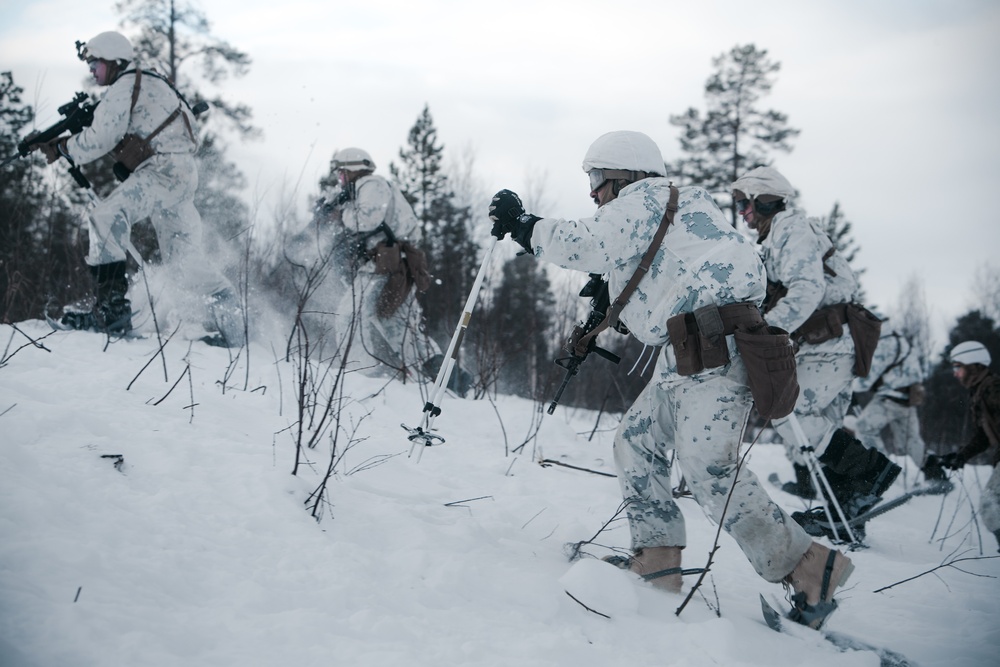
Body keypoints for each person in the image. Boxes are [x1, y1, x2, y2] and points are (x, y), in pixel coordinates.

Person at [489, 130, 853, 629]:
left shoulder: (645, 198)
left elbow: (583, 242)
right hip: (688, 351)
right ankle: (656, 560)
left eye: (597, 178)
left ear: (625, 175)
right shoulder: (679, 204)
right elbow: (676, 277)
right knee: (635, 443)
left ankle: (810, 567)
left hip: (717, 351)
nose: (593, 191)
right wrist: (614, 293)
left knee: (709, 471)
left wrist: (522, 225)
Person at [36, 31, 243, 346]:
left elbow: (99, 138)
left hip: (162, 171)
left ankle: (111, 313)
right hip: (182, 171)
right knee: (182, 259)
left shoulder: (124, 86)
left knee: (105, 216)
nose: (91, 70)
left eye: (95, 63)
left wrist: (63, 147)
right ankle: (231, 317)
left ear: (113, 60)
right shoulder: (149, 80)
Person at [730, 166, 899, 537]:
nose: (742, 211)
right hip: (827, 345)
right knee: (822, 428)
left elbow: (806, 289)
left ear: (764, 200)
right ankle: (845, 514)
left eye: (745, 202)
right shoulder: (775, 239)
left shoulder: (791, 228)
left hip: (832, 344)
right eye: (738, 203)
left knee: (788, 412)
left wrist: (765, 333)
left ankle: (872, 471)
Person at [321, 147, 442, 380]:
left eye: (342, 173)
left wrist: (340, 213)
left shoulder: (370, 184)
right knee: (399, 329)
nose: (340, 179)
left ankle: (358, 374)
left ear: (353, 170)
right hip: (394, 264)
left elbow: (367, 219)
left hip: (385, 264)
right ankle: (445, 380)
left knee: (349, 316)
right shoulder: (367, 188)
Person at [851, 324, 951, 492]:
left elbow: (864, 382)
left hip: (890, 398)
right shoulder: (900, 340)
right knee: (911, 440)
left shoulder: (884, 344)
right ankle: (936, 474)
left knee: (863, 428)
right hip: (908, 399)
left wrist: (848, 382)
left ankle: (880, 470)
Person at [938, 341, 1000, 553]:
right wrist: (961, 456)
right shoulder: (981, 390)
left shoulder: (993, 388)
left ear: (973, 365)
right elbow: (984, 435)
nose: (955, 374)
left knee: (990, 505)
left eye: (958, 367)